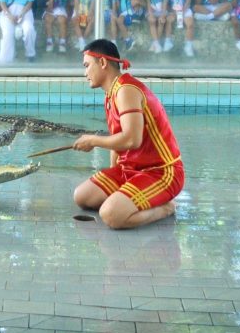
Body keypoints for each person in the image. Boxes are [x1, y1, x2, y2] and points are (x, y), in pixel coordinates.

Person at [72, 39, 184, 229]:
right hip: (130, 170)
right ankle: (131, 199)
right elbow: (117, 139)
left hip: (160, 172)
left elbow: (132, 139)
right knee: (82, 197)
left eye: (87, 65)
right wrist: (113, 174)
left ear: (103, 63)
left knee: (111, 215)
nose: (85, 73)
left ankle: (166, 208)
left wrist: (93, 140)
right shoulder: (111, 93)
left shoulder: (126, 90)